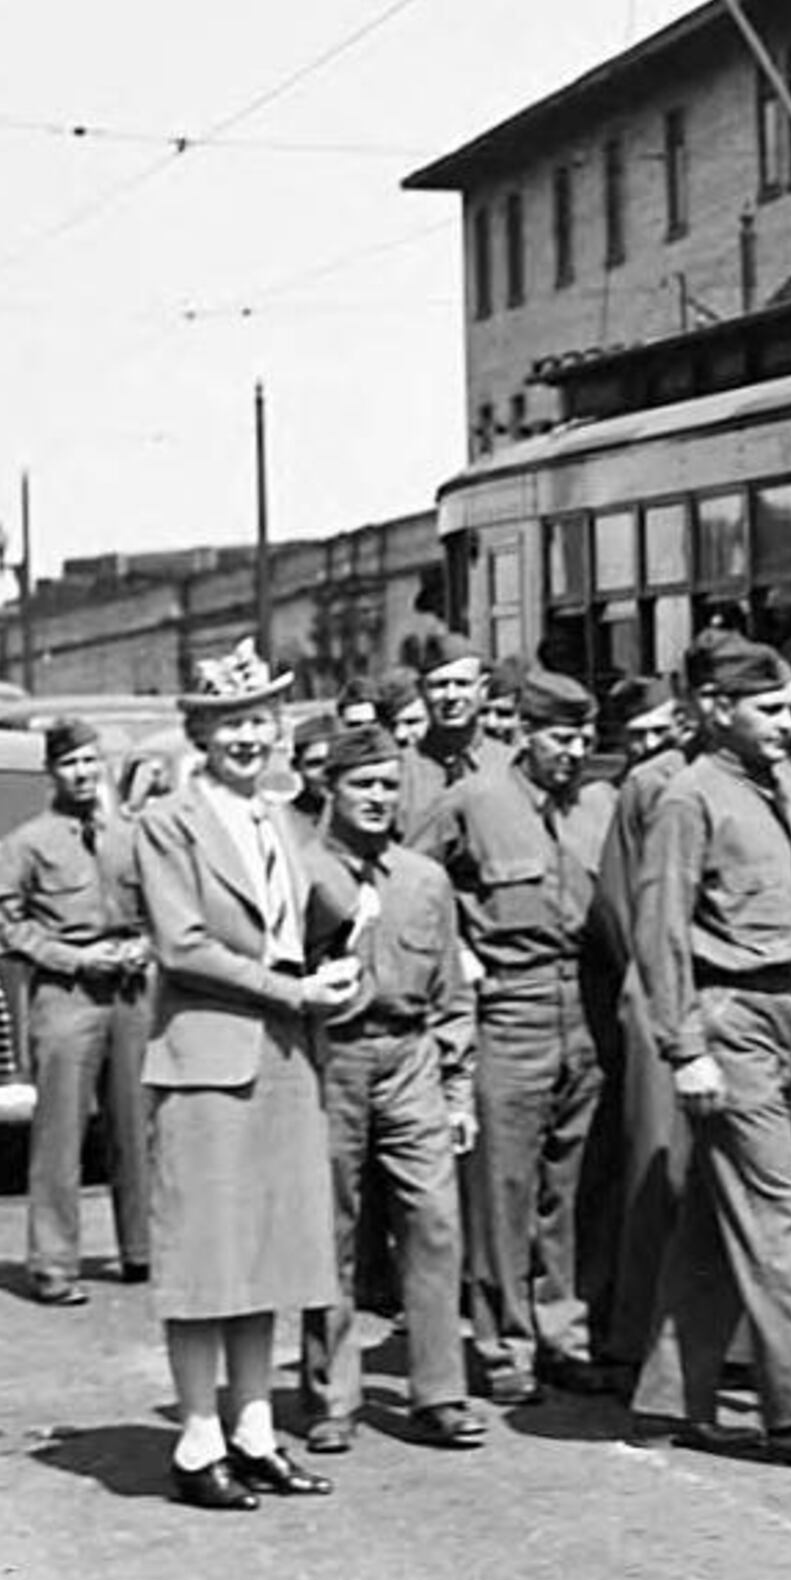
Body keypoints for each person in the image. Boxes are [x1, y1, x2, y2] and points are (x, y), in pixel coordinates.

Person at [625, 630, 791, 1469]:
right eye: (769, 709)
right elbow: (658, 933)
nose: (788, 721)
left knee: (714, 1216)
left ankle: (671, 1395)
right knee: (777, 1212)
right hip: (727, 1021)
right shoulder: (688, 799)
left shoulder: (788, 784)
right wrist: (684, 1045)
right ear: (714, 709)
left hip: (788, 1012)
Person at [130, 641, 354, 1513]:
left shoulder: (281, 820)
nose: (249, 737)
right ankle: (196, 1441)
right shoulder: (169, 824)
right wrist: (291, 988)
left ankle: (255, 1434)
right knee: (204, 1259)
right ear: (199, 733)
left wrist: (340, 974)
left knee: (267, 1253)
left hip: (284, 1056)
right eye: (230, 724)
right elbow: (182, 946)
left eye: (260, 720)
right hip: (207, 1057)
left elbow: (324, 915)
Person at [409, 665, 614, 1403]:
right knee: (504, 1189)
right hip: (508, 1006)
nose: (576, 748)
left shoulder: (600, 802)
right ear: (525, 734)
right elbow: (407, 880)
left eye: (586, 734)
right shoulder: (474, 800)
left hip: (585, 1007)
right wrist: (451, 957)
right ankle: (504, 1348)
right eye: (561, 735)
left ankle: (565, 1333)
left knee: (574, 1184)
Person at [297, 723, 480, 1453]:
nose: (377, 799)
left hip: (410, 1058)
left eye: (387, 786)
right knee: (329, 1229)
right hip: (329, 1057)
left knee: (434, 1222)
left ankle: (439, 1393)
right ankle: (330, 1398)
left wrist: (458, 1090)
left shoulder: (424, 879)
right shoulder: (300, 872)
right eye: (361, 785)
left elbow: (452, 994)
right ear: (329, 789)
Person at [0, 717, 154, 1309]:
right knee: (61, 1131)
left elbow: (162, 904)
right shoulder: (29, 843)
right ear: (50, 772)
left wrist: (142, 947)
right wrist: (74, 958)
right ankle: (54, 1263)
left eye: (90, 761)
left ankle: (143, 1249)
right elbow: (5, 926)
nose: (82, 773)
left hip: (132, 990)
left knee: (138, 1123)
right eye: (70, 764)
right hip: (68, 994)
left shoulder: (129, 834)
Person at [586, 669, 701, 1387]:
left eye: (662, 732)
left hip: (715, 998)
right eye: (639, 739)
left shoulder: (720, 782)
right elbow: (620, 904)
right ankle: (640, 1335)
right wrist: (659, 984)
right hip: (664, 995)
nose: (652, 749)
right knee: (656, 1167)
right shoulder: (654, 787)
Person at [395, 636, 489, 833]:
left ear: (483, 689)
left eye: (462, 684)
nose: (451, 696)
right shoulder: (399, 770)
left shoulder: (512, 764)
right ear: (422, 690)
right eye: (440, 685)